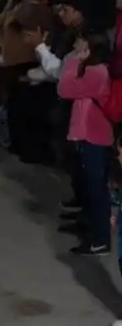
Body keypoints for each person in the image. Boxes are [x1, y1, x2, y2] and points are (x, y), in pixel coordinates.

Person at [58, 30, 114, 256]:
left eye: (81, 44)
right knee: (90, 185)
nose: (77, 47)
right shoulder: (93, 70)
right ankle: (90, 227)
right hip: (87, 135)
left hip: (95, 137)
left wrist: (72, 62)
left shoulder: (97, 72)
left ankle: (100, 239)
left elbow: (65, 89)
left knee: (96, 187)